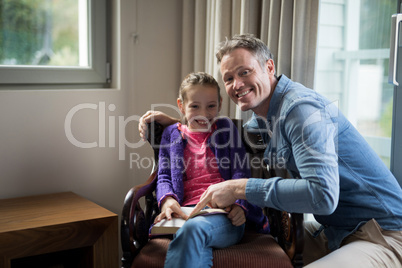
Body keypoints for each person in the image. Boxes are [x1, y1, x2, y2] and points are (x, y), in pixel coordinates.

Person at [139, 34, 402, 267]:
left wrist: (239, 188)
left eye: (244, 72)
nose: (236, 84)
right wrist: (179, 124)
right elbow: (214, 133)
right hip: (334, 230)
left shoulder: (300, 110)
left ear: (269, 67)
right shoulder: (262, 119)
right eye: (229, 78)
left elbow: (322, 196)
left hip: (382, 234)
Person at [151, 71, 269, 268]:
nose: (204, 114)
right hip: (185, 213)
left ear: (220, 104)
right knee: (194, 241)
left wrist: (240, 205)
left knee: (193, 231)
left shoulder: (226, 129)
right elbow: (163, 176)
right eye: (195, 106)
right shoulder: (171, 134)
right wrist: (167, 201)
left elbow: (241, 173)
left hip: (224, 214)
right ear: (181, 106)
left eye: (211, 106)